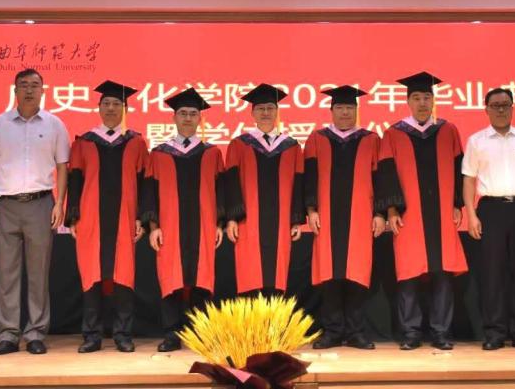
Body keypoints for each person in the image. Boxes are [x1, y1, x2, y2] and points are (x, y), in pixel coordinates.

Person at [0, 68, 70, 355]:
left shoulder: (55, 125)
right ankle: (8, 334)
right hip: (5, 205)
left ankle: (35, 334)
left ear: (43, 90)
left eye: (35, 85)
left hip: (41, 204)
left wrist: (59, 202)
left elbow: (63, 167)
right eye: (24, 85)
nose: (29, 90)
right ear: (15, 90)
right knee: (7, 273)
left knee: (38, 273)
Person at [377, 71, 468, 351]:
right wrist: (392, 210)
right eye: (416, 97)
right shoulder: (393, 133)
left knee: (442, 273)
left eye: (427, 97)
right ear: (408, 101)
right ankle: (411, 332)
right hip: (409, 215)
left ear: (433, 100)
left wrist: (457, 204)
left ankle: (441, 332)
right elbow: (387, 173)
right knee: (408, 274)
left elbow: (459, 170)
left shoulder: (448, 130)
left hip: (441, 214)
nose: (422, 103)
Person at [461, 87, 515, 351]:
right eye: (495, 105)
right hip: (490, 210)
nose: (500, 109)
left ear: (512, 108)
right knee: (492, 274)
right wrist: (471, 214)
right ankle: (494, 332)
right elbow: (468, 180)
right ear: (486, 109)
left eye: (505, 105)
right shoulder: (477, 141)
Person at [64, 81, 148, 354]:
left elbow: (144, 182)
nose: (111, 108)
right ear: (98, 107)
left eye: (116, 104)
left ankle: (123, 334)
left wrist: (141, 217)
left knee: (124, 275)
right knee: (91, 275)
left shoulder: (136, 142)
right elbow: (75, 180)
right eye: (106, 103)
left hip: (125, 217)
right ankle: (92, 335)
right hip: (91, 218)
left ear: (125, 109)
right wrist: (73, 216)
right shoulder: (84, 142)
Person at [142, 88, 226, 352]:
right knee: (171, 278)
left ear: (200, 118)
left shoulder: (212, 154)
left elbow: (221, 192)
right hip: (169, 227)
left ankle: (201, 333)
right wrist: (153, 227)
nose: (188, 118)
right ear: (174, 118)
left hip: (204, 226)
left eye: (192, 113)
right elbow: (150, 193)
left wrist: (219, 224)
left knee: (201, 279)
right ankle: (172, 334)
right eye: (182, 113)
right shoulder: (159, 153)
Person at [303, 85, 385, 350]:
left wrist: (380, 213)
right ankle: (333, 331)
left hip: (361, 216)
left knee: (356, 275)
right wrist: (311, 210)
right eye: (340, 107)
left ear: (356, 110)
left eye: (350, 107)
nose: (345, 112)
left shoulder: (371, 139)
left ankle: (356, 331)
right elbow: (309, 177)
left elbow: (380, 179)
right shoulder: (317, 139)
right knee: (329, 276)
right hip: (326, 216)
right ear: (332, 110)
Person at [221, 83, 304, 297]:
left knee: (277, 277)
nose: (265, 112)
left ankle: (273, 318)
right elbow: (231, 183)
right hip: (248, 222)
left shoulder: (291, 146)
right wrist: (232, 218)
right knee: (250, 275)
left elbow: (298, 184)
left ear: (277, 111)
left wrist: (296, 219)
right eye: (260, 108)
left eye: (270, 108)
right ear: (252, 113)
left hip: (281, 222)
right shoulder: (239, 145)